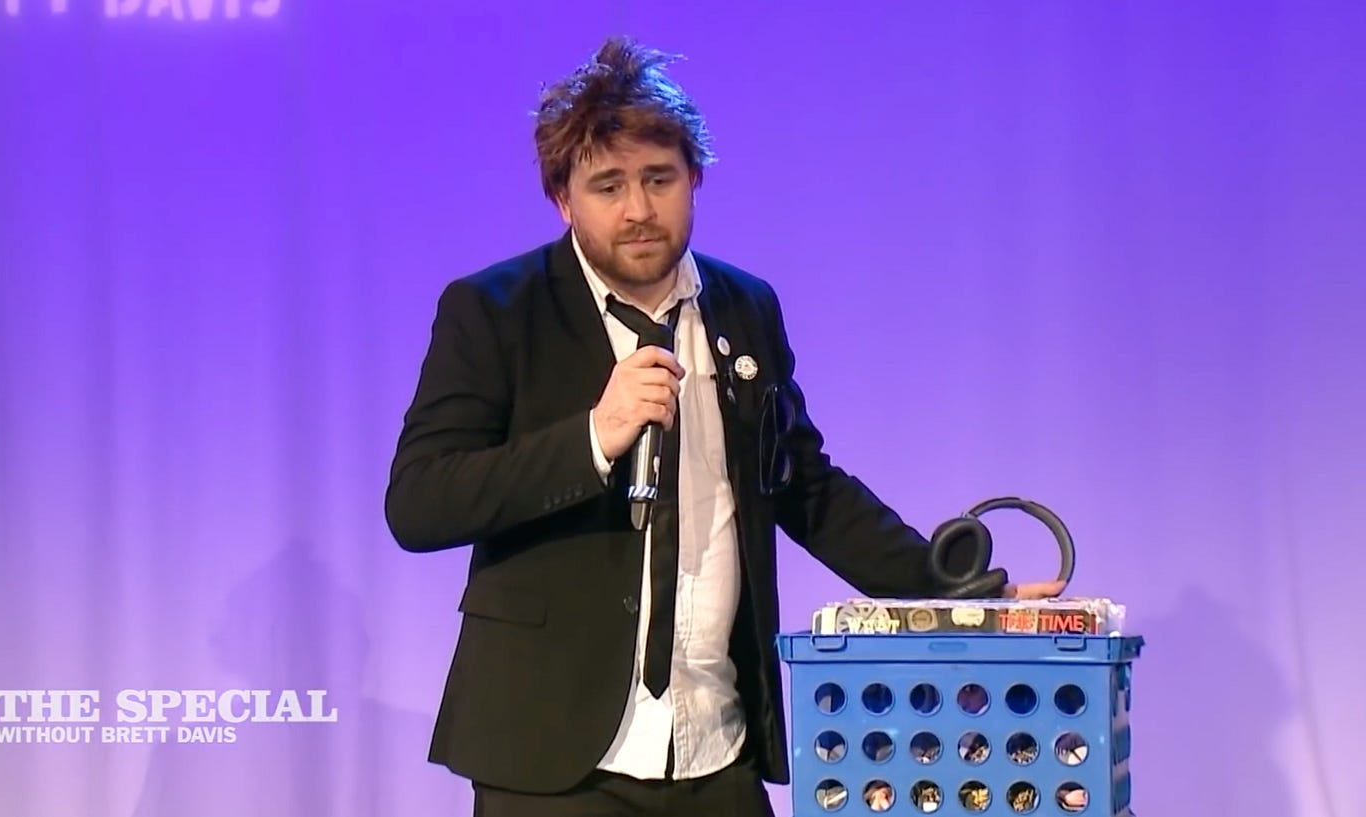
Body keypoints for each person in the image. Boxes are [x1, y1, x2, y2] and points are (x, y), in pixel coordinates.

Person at [384, 35, 1064, 817]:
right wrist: (593, 437)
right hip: (551, 761)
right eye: (608, 185)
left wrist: (957, 596)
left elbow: (804, 486)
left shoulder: (745, 307)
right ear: (564, 200)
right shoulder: (495, 311)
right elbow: (420, 501)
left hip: (716, 744)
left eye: (659, 178)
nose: (638, 209)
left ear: (695, 178)